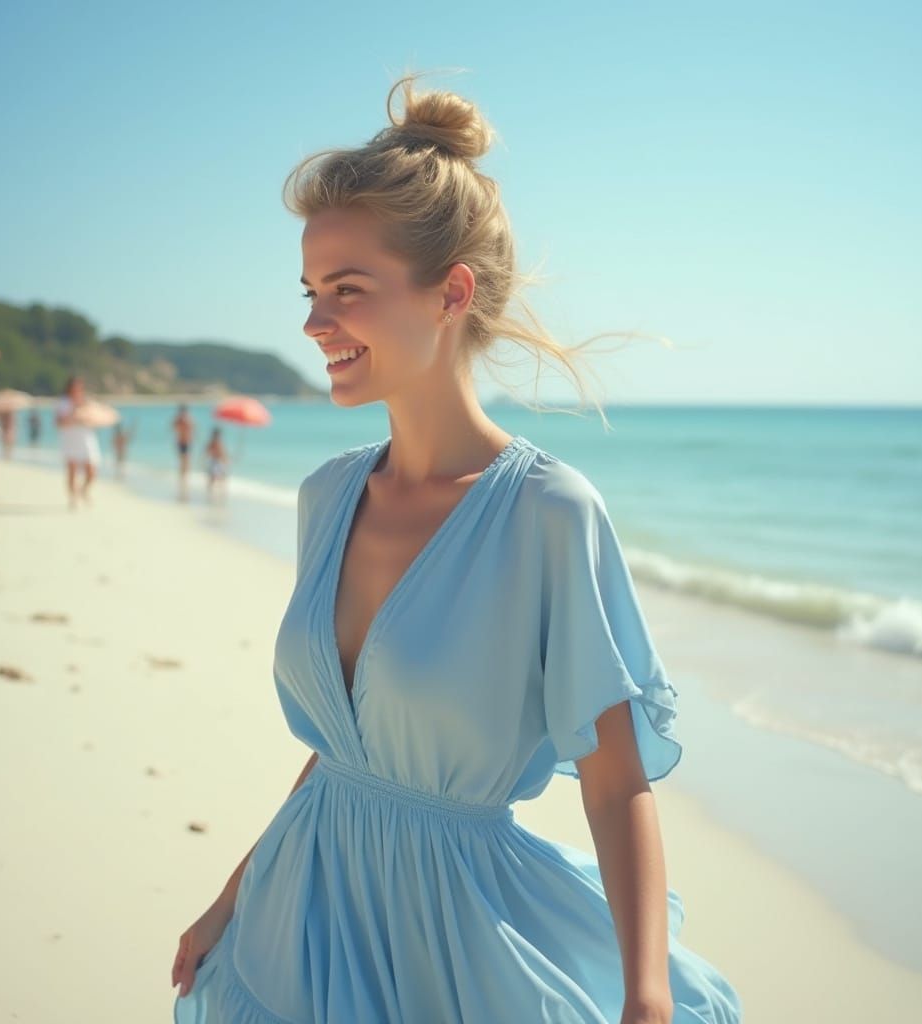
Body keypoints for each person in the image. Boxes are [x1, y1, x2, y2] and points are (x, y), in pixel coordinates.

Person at [172, 78, 742, 1024]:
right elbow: (344, 748)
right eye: (311, 292)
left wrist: (646, 999)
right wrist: (230, 896)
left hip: (450, 940)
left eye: (347, 291)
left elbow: (614, 783)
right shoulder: (327, 496)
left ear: (453, 292)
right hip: (299, 916)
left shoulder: (548, 515)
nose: (315, 322)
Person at [55, 375, 100, 509]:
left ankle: (84, 490)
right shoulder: (63, 403)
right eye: (75, 387)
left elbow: (93, 419)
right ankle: (72, 498)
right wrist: (74, 411)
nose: (77, 389)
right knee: (72, 471)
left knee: (92, 470)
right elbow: (59, 422)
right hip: (70, 439)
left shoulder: (86, 401)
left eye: (79, 387)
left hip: (86, 438)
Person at [172, 403, 195, 500]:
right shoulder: (183, 419)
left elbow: (192, 430)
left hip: (184, 442)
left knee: (184, 463)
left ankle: (183, 481)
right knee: (184, 463)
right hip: (183, 442)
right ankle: (183, 482)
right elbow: (174, 428)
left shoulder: (185, 419)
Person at [203, 427, 228, 504]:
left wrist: (226, 460)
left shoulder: (217, 442)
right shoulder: (214, 442)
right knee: (214, 478)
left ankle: (218, 493)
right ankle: (214, 494)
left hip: (217, 462)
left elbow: (222, 453)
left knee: (220, 478)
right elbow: (208, 451)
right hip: (215, 462)